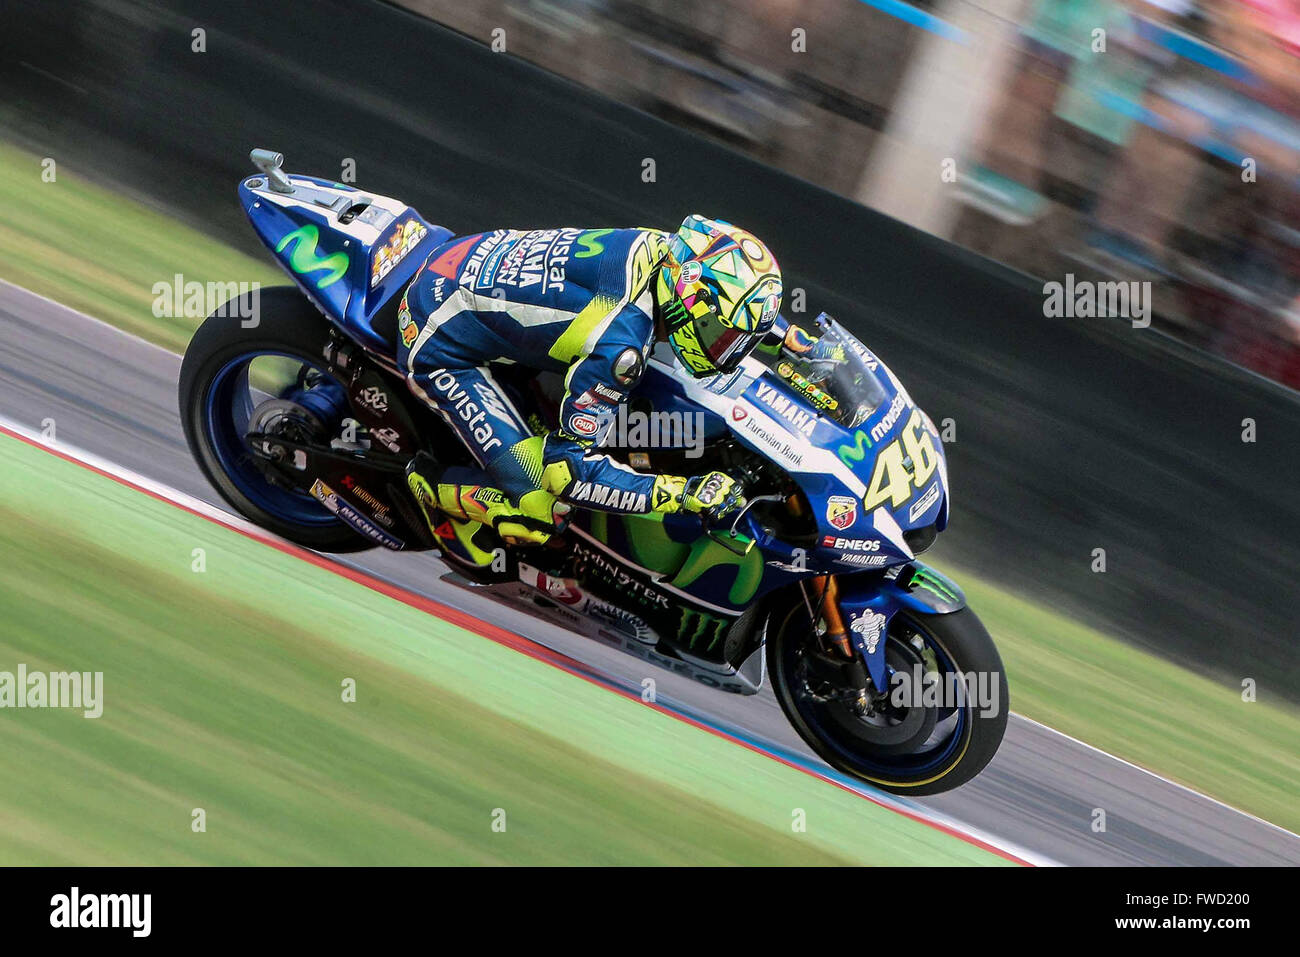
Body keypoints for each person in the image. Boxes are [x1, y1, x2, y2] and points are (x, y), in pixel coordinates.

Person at [397, 214, 802, 551]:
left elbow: (722, 288)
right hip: (438, 339)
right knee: (542, 507)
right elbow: (568, 473)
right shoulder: (618, 348)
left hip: (464, 256)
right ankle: (434, 485)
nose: (725, 350)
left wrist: (785, 337)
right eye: (721, 335)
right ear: (688, 303)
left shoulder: (667, 249)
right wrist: (682, 493)